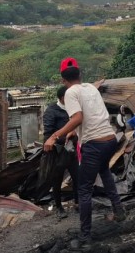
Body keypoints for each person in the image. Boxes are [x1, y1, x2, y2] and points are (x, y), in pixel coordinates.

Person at [43, 58, 126, 250]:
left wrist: (54, 136)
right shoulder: (90, 88)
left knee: (84, 189)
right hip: (110, 140)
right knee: (105, 173)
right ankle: (119, 211)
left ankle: (85, 235)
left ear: (63, 80)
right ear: (80, 75)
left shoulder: (71, 92)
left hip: (94, 145)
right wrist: (72, 132)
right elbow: (88, 118)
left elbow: (78, 117)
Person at [43, 86, 79, 219]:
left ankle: (78, 203)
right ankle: (59, 207)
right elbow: (48, 134)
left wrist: (73, 134)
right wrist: (63, 137)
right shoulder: (51, 111)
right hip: (57, 152)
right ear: (63, 98)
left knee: (77, 177)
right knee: (56, 180)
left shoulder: (73, 110)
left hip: (72, 150)